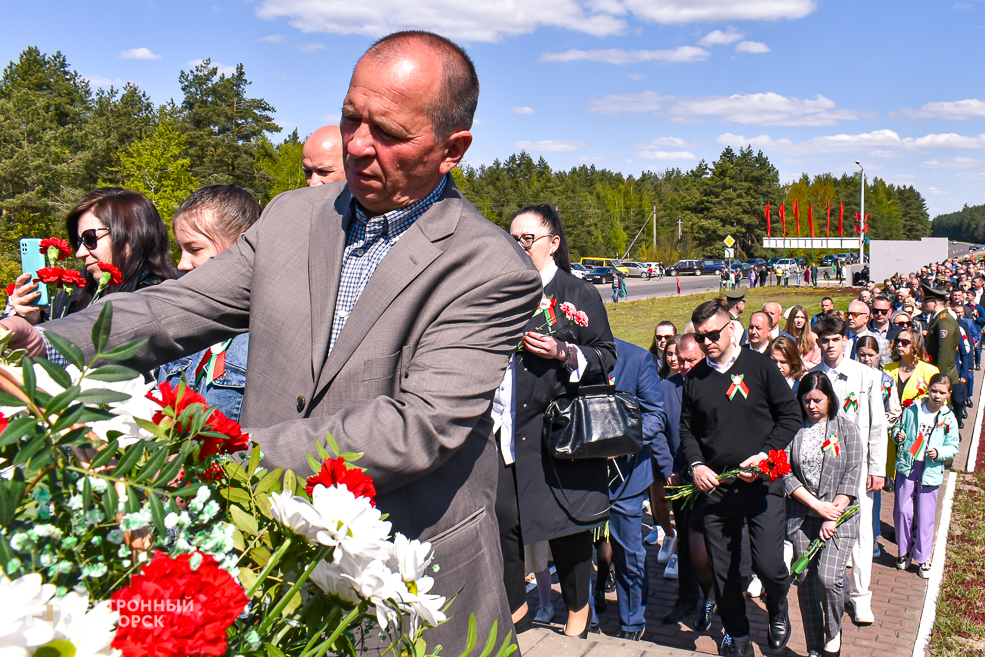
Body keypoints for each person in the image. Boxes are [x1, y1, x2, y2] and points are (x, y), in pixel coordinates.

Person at [5, 31, 543, 652]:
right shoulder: (291, 217)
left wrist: (213, 461)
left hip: (410, 591)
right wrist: (43, 343)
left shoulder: (490, 267)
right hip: (278, 579)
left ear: (453, 149)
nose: (359, 146)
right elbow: (178, 305)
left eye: (390, 133)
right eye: (350, 119)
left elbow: (416, 427)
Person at [496, 204, 617, 639]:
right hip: (505, 427)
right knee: (502, 519)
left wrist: (563, 352)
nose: (518, 245)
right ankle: (516, 613)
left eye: (527, 238)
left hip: (558, 432)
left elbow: (606, 355)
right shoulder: (497, 288)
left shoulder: (577, 294)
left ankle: (577, 612)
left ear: (553, 243)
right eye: (512, 238)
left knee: (566, 527)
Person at [679, 299, 801, 656]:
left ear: (732, 328)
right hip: (717, 490)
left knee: (768, 564)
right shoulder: (696, 379)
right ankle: (738, 634)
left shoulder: (761, 367)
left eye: (713, 335)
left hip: (763, 484)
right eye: (701, 338)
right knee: (726, 570)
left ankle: (777, 604)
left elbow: (790, 415)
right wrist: (697, 465)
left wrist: (765, 455)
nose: (708, 343)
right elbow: (687, 430)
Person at [157, 186, 260, 421]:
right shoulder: (180, 329)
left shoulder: (262, 340)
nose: (181, 264)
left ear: (241, 249)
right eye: (180, 250)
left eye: (194, 249)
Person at [810, 315, 888, 625]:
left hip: (858, 466)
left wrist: (878, 468)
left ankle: (860, 596)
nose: (829, 345)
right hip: (822, 468)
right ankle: (827, 589)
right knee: (822, 526)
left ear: (846, 340)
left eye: (835, 339)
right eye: (824, 340)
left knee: (861, 533)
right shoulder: (813, 376)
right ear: (818, 343)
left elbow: (878, 425)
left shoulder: (865, 376)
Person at [5, 188, 179, 323]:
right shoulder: (73, 296)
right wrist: (31, 320)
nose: (79, 253)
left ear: (130, 235)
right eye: (79, 241)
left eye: (90, 238)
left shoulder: (167, 300)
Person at [784, 372, 862, 657]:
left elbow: (852, 475)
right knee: (805, 582)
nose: (812, 406)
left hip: (840, 517)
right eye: (806, 400)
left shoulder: (846, 429)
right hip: (803, 516)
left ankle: (834, 631)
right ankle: (815, 647)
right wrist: (817, 507)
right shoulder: (793, 429)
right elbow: (784, 474)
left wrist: (833, 513)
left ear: (830, 398)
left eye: (818, 400)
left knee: (829, 579)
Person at [594, 338, 666, 640]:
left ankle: (632, 622)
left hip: (627, 477)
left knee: (629, 554)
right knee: (579, 554)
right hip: (581, 479)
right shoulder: (568, 356)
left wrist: (622, 441)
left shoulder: (636, 359)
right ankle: (586, 615)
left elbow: (655, 415)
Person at [661, 335, 717, 631]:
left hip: (714, 477)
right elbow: (659, 431)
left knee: (714, 541)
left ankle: (714, 597)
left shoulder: (717, 384)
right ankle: (687, 598)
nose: (683, 366)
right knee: (686, 541)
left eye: (690, 361)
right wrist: (669, 469)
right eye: (679, 360)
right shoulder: (666, 389)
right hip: (680, 477)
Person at [892, 373, 959, 579]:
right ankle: (903, 551)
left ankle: (924, 556)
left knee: (926, 514)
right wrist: (898, 436)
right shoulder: (913, 409)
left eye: (942, 393)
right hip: (908, 464)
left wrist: (939, 452)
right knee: (902, 510)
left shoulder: (948, 418)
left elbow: (953, 446)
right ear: (928, 390)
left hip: (931, 468)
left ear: (948, 394)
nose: (937, 396)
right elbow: (897, 429)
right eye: (934, 391)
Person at [854, 335, 903, 558]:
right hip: (853, 439)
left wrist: (880, 423)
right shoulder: (852, 377)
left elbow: (895, 410)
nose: (866, 359)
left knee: (872, 490)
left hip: (874, 441)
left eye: (870, 355)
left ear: (878, 355)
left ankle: (871, 539)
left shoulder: (885, 381)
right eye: (862, 355)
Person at [647, 335, 681, 558]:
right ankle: (670, 535)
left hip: (685, 456)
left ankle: (679, 550)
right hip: (662, 456)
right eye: (669, 353)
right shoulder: (660, 384)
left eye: (677, 353)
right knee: (659, 502)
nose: (673, 358)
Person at [923, 285, 960, 394]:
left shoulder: (944, 321)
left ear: (936, 303)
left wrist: (940, 378)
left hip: (944, 374)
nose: (923, 305)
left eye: (926, 302)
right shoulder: (937, 319)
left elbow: (944, 352)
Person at [868, 295, 901, 367]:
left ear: (890, 312)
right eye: (876, 311)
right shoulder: (865, 330)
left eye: (883, 311)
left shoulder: (898, 332)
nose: (879, 314)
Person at [785, 305, 821, 370]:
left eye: (802, 317)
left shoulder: (813, 337)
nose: (799, 320)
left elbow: (816, 363)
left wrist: (799, 365)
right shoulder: (784, 336)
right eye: (796, 317)